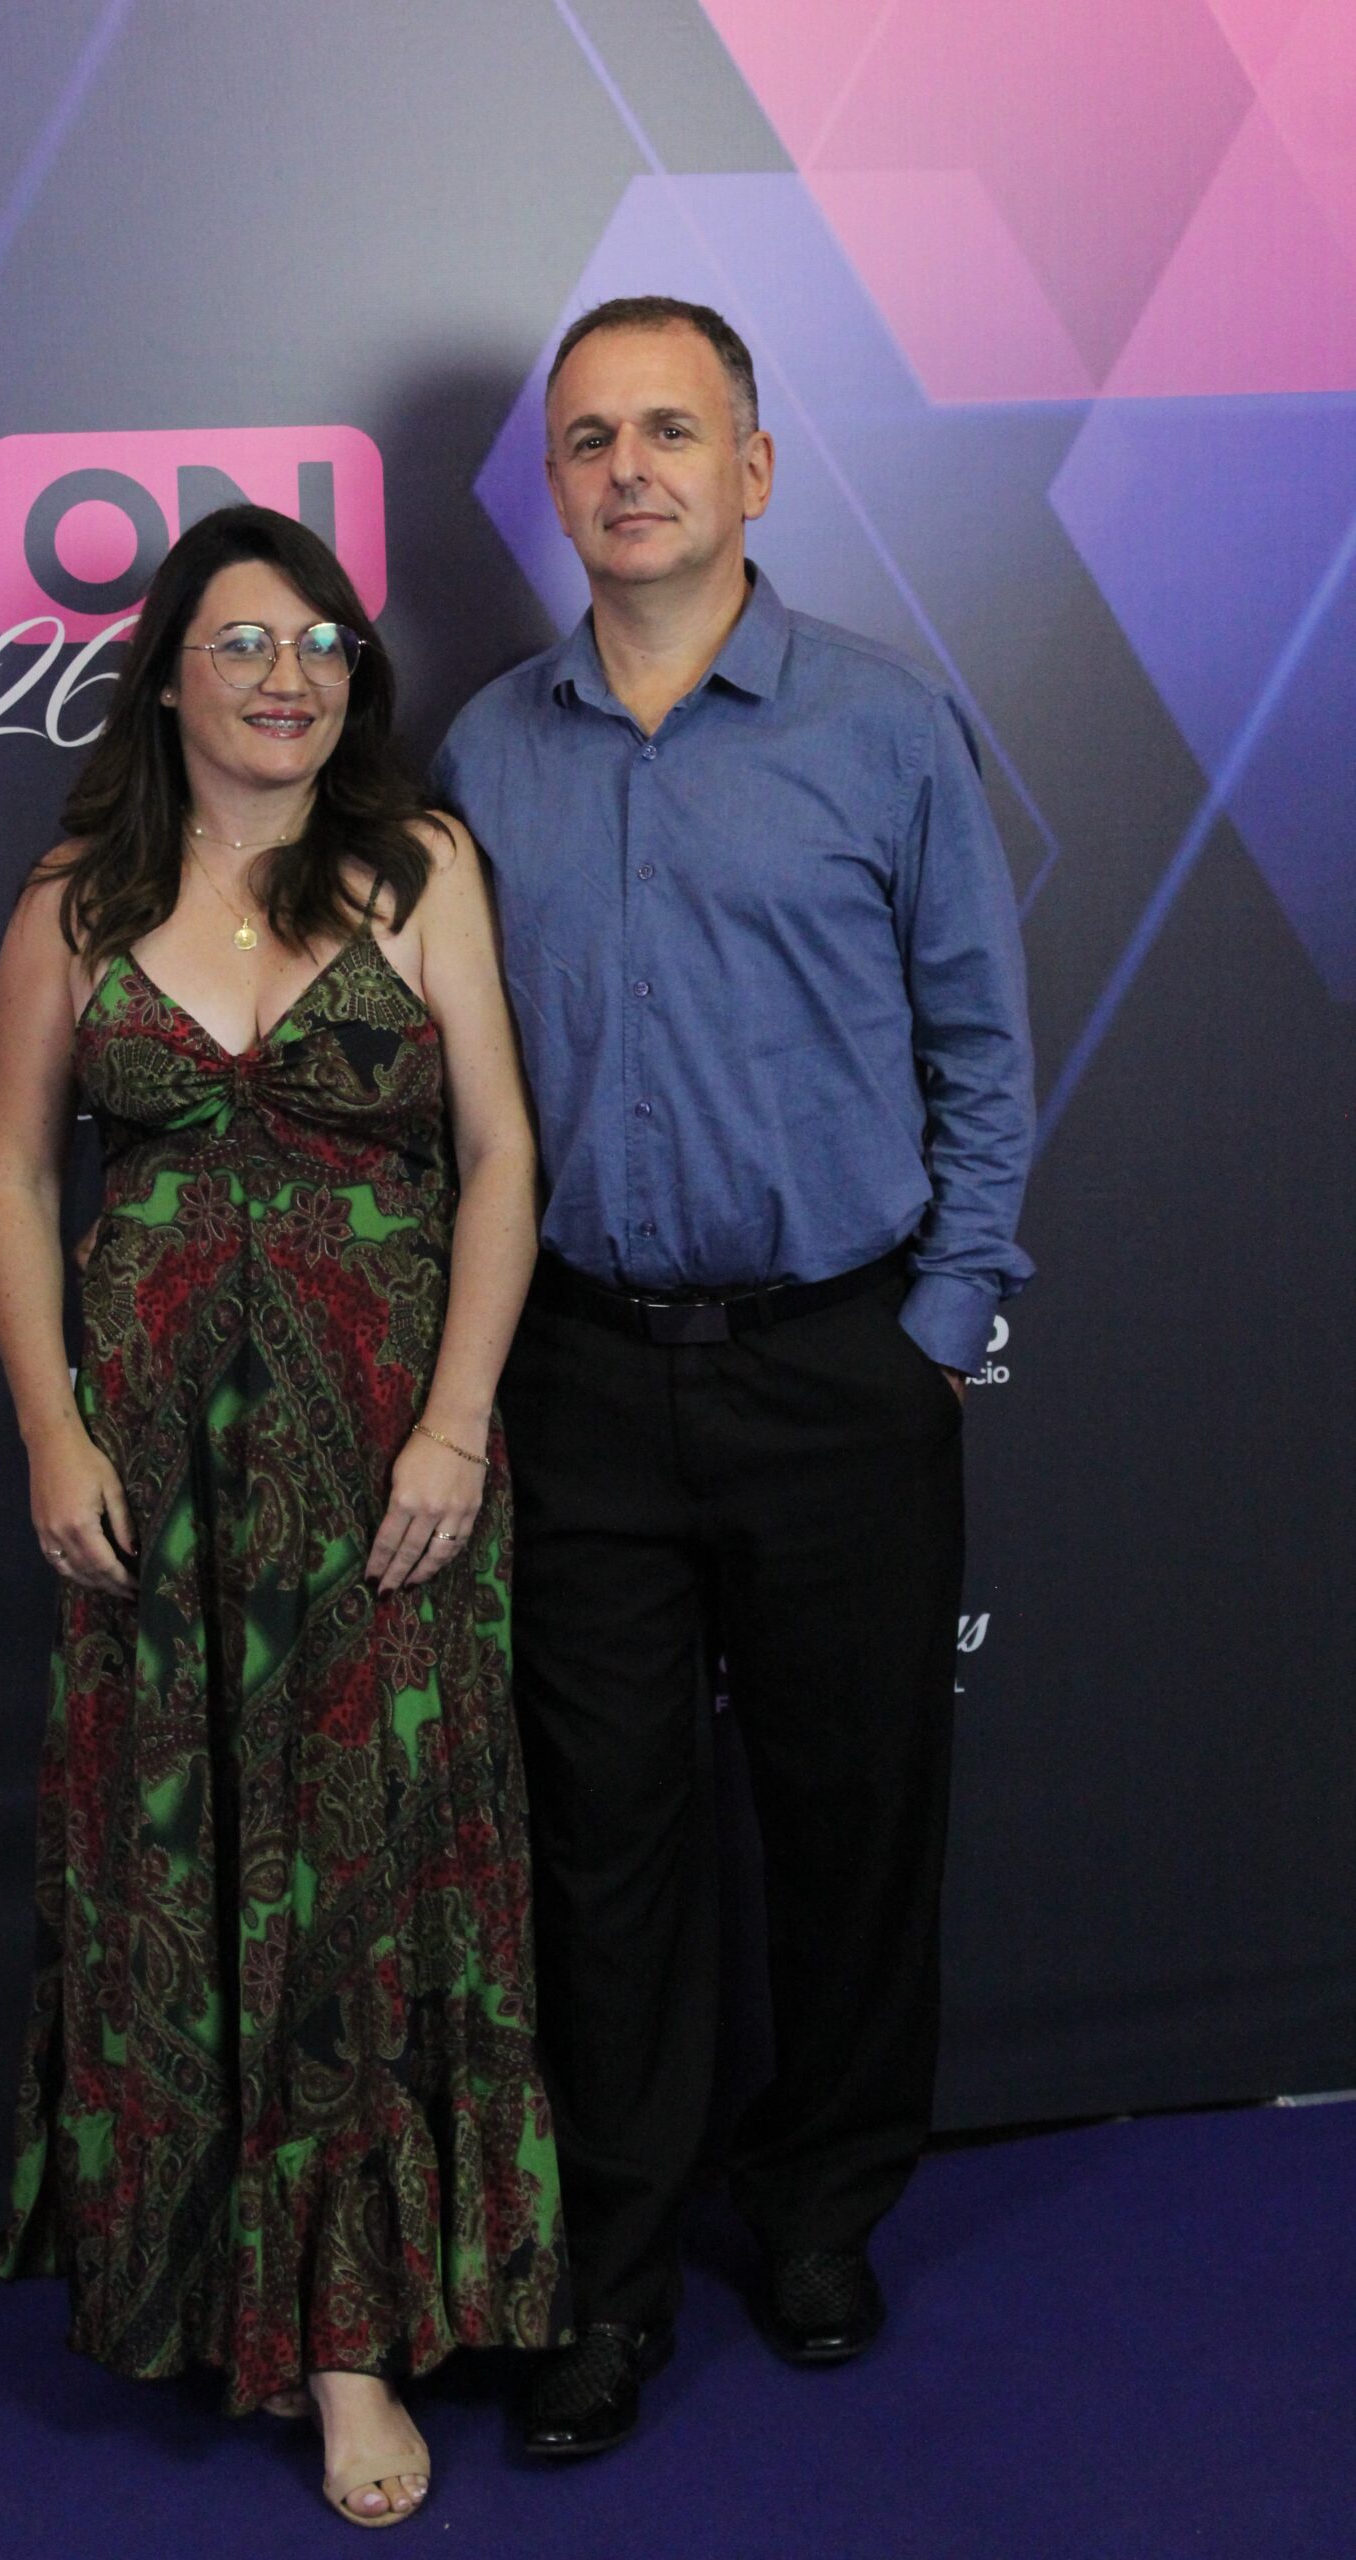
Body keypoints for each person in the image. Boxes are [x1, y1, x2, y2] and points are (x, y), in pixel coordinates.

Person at [431, 296, 1034, 2457]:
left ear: (753, 470)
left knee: (854, 1824)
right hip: (582, 1380)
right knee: (601, 1852)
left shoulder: (886, 726)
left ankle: (819, 2208)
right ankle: (604, 2276)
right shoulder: (484, 755)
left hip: (835, 1370)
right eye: (591, 437)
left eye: (671, 431)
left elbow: (980, 1055)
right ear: (555, 487)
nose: (630, 469)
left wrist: (934, 1334)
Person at [0, 503, 568, 2527]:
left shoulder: (420, 869)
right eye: (241, 642)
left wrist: (456, 1427)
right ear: (165, 675)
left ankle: (350, 2342)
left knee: (364, 1881)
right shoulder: (76, 898)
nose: (286, 675)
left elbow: (500, 1157)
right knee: (176, 1869)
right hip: (152, 1496)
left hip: (386, 1484)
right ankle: (190, 2284)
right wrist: (51, 1429)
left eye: (319, 642)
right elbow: (10, 1173)